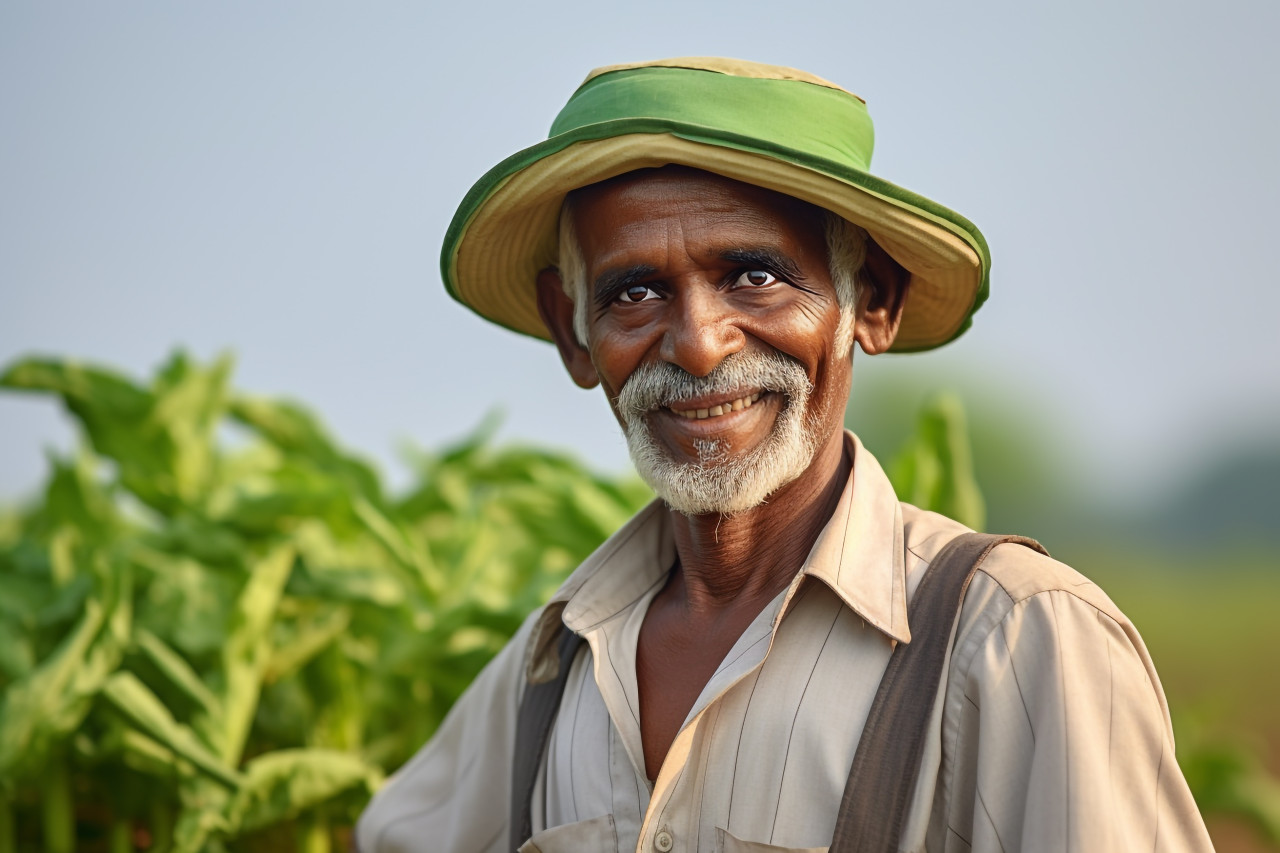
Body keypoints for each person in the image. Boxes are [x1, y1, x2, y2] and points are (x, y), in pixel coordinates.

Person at [357, 57, 1213, 852]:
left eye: (754, 276)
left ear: (868, 300)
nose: (696, 345)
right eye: (635, 291)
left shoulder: (1016, 638)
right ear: (572, 333)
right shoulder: (555, 663)